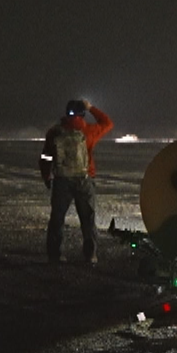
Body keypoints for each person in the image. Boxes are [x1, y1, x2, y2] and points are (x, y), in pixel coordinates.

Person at [40, 98, 114, 263]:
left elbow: (45, 157)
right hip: (84, 179)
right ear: (82, 113)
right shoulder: (88, 131)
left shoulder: (54, 132)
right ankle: (90, 254)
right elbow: (107, 123)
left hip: (61, 180)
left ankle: (54, 255)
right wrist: (91, 107)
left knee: (57, 218)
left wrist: (46, 176)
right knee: (88, 219)